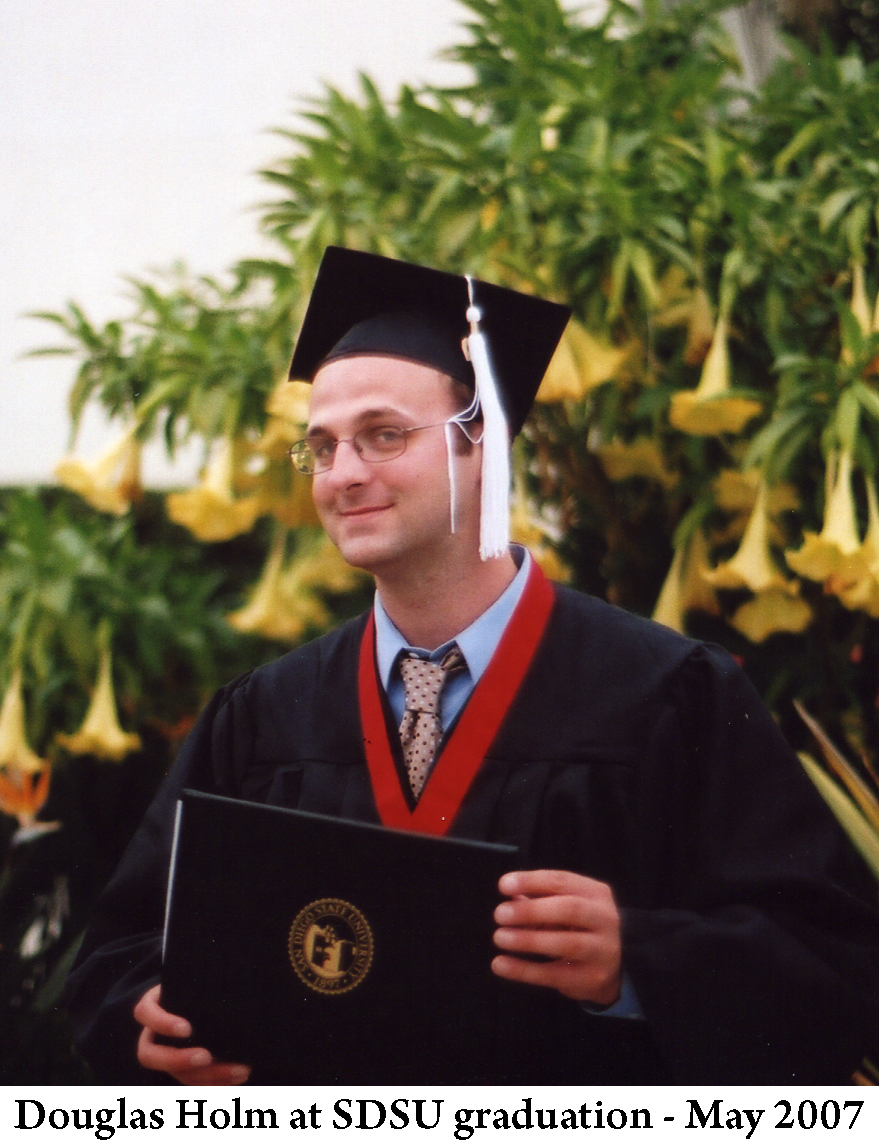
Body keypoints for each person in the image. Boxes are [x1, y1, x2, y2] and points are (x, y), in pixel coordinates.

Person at [67, 247, 879, 1086]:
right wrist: (145, 1016)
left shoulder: (669, 694)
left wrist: (636, 961)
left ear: (483, 434)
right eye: (321, 445)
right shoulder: (264, 716)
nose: (343, 474)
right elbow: (121, 950)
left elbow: (833, 965)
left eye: (382, 434)